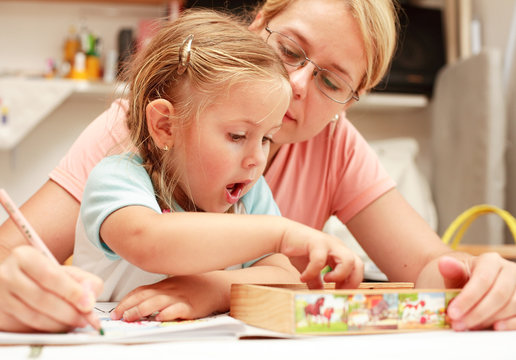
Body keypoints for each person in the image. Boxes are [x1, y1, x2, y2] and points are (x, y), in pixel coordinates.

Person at [0, 0, 515, 333]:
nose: (298, 87)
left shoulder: (332, 149)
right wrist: (8, 285)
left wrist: (480, 281)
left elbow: (429, 268)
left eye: (331, 82)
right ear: (257, 26)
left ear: (350, 102)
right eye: (289, 49)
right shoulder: (141, 132)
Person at [72, 9, 361, 311]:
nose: (256, 159)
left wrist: (215, 290)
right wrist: (282, 234)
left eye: (266, 138)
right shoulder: (117, 178)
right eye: (237, 136)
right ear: (165, 126)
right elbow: (148, 240)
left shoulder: (251, 195)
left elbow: (286, 276)